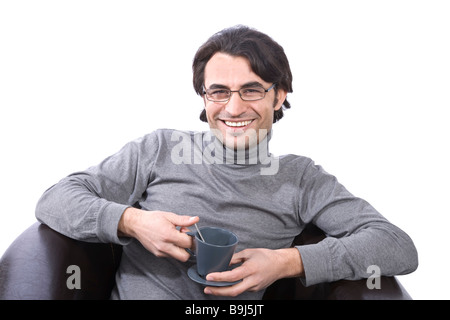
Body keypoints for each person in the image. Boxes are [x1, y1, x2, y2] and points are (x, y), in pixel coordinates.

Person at [35, 25, 418, 299]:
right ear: (203, 97)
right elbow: (55, 199)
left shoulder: (301, 179)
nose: (234, 108)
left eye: (252, 90)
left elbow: (396, 246)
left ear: (278, 95)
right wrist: (132, 221)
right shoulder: (160, 149)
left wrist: (287, 262)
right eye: (219, 91)